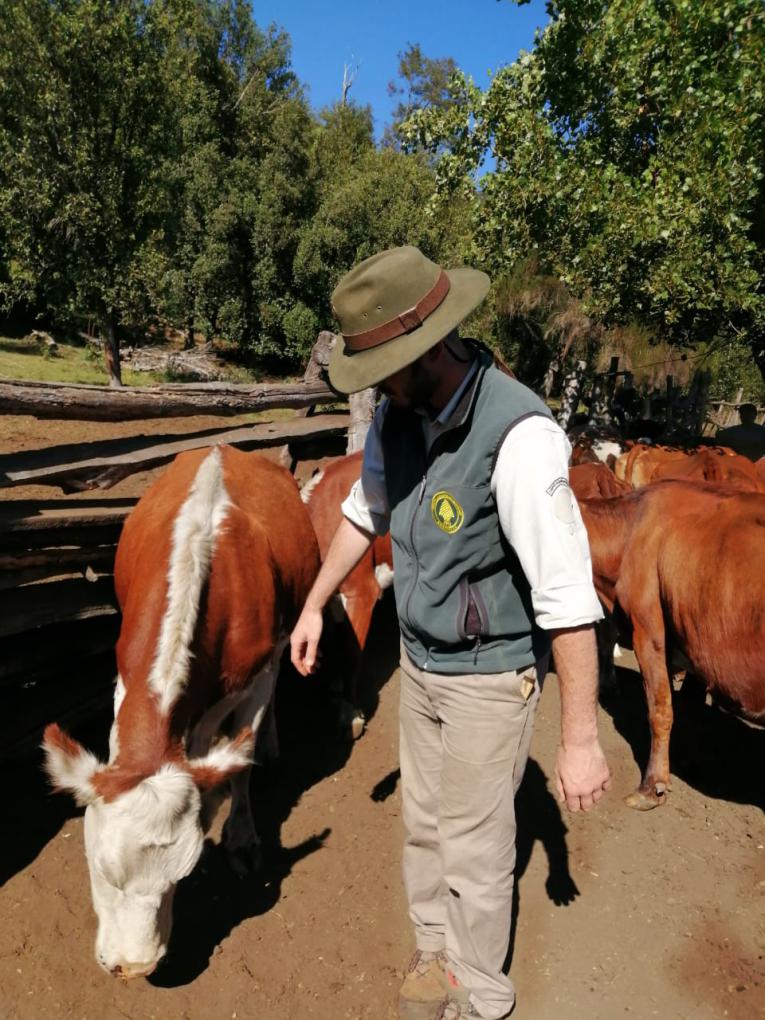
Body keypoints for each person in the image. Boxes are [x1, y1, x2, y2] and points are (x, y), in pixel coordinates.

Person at [290, 246, 610, 1020]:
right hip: (422, 663)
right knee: (424, 827)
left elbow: (566, 595)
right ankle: (434, 950)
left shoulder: (517, 433)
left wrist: (578, 739)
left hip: (489, 677)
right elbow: (362, 514)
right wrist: (312, 602)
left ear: (430, 346)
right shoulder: (399, 419)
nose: (380, 388)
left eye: (386, 368)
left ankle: (479, 993)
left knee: (475, 845)